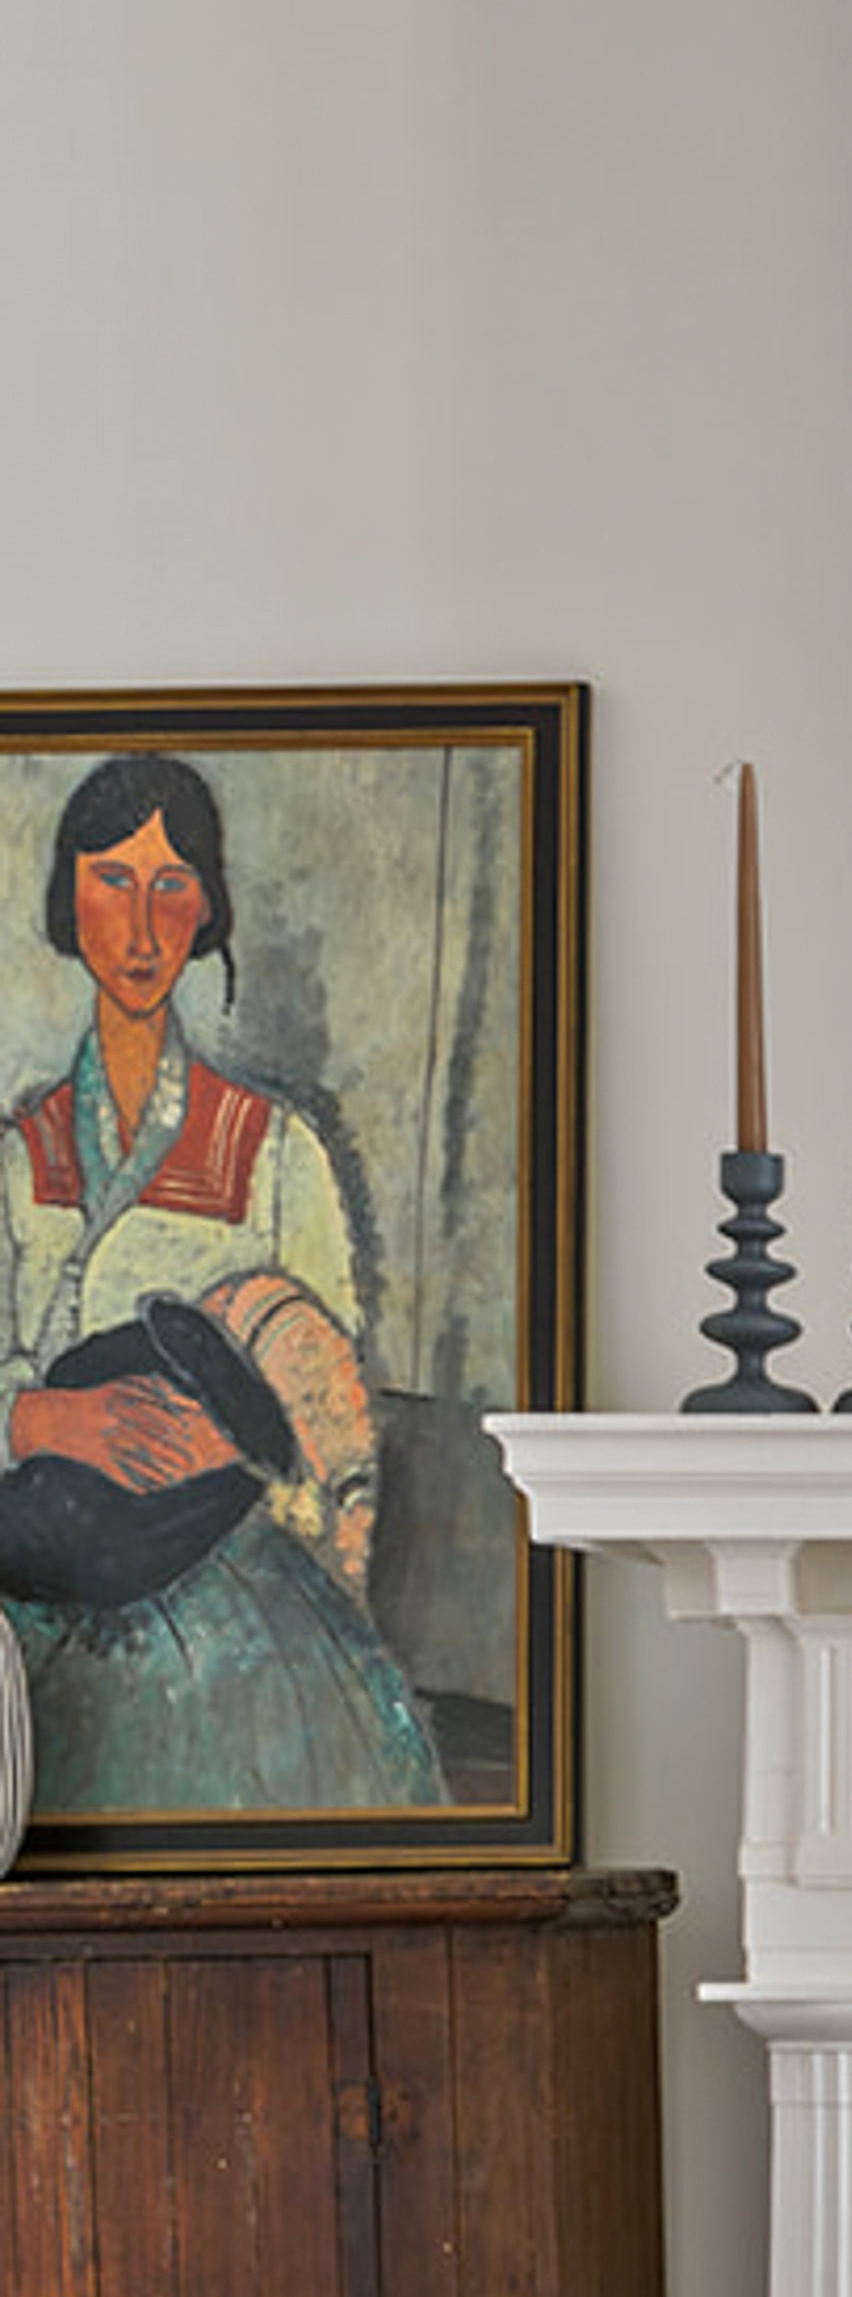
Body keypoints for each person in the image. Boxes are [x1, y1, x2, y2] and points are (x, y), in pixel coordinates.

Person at [0, 749, 442, 1809]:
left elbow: (334, 1419)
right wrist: (49, 1422)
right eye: (112, 879)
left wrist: (248, 1447)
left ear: (208, 910)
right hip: (30, 1581)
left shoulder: (277, 1151)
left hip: (235, 1585)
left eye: (171, 885)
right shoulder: (19, 1157)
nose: (142, 927)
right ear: (68, 897)